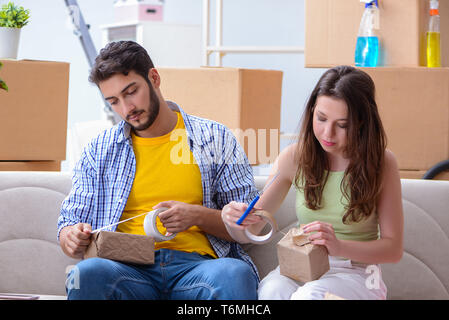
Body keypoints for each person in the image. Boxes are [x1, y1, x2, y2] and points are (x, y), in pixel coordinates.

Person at [58, 40, 259, 300]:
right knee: (84, 273)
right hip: (127, 269)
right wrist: (71, 237)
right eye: (114, 101)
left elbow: (248, 227)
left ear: (154, 78)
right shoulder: (99, 149)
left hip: (199, 268)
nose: (126, 108)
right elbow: (68, 224)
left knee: (234, 274)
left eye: (131, 92)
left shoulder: (214, 138)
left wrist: (197, 216)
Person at [221, 65, 404, 300]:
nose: (328, 133)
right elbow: (254, 227)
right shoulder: (294, 158)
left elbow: (393, 249)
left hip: (359, 273)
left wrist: (338, 247)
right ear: (312, 112)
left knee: (309, 296)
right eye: (321, 118)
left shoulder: (382, 163)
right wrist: (234, 218)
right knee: (271, 291)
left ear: (361, 123)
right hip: (302, 266)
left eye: (342, 125)